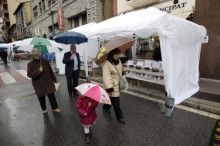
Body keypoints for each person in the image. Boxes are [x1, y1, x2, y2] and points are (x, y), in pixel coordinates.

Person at [27, 48, 61, 114]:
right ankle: (44, 109)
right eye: (34, 55)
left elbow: (50, 71)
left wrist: (54, 79)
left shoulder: (45, 61)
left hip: (48, 81)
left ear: (39, 54)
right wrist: (38, 71)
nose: (36, 56)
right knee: (41, 96)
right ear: (33, 56)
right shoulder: (30, 64)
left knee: (51, 95)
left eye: (37, 54)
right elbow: (29, 74)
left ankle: (55, 108)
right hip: (38, 83)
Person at [102, 48, 125, 124]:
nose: (118, 56)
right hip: (112, 86)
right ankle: (120, 117)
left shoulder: (119, 61)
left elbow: (119, 73)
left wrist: (123, 71)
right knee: (116, 103)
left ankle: (106, 107)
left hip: (117, 84)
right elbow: (106, 77)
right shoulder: (106, 63)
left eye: (119, 54)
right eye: (116, 54)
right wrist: (110, 89)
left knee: (110, 99)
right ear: (112, 54)